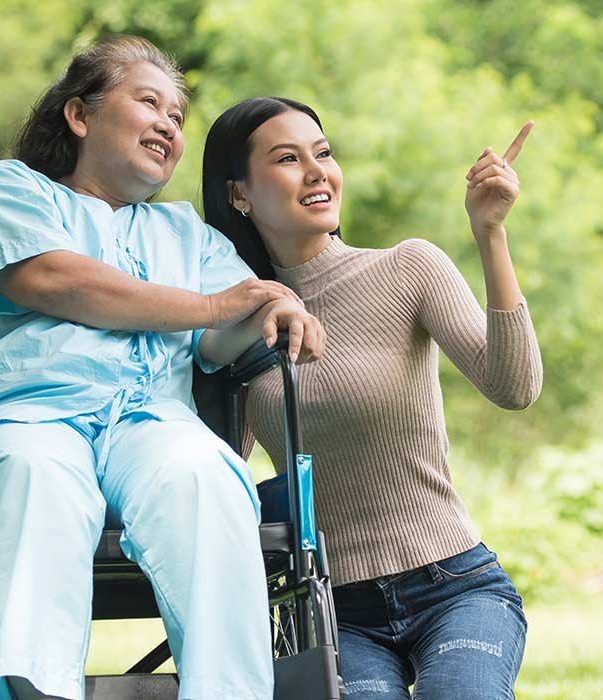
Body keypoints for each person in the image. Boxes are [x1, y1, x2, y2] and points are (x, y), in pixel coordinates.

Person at [0, 41, 324, 700]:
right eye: (148, 102)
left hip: (150, 424)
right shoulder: (9, 191)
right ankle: (34, 688)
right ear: (79, 115)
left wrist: (274, 303)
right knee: (34, 474)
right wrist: (218, 302)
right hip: (29, 414)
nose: (169, 123)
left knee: (207, 476)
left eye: (178, 114)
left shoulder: (186, 234)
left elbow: (224, 335)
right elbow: (55, 278)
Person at [199, 97, 543, 699]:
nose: (316, 172)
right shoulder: (236, 324)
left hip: (455, 586)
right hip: (332, 612)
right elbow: (214, 475)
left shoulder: (408, 268)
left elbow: (514, 388)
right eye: (287, 159)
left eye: (323, 154)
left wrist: (490, 233)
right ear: (239, 195)